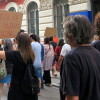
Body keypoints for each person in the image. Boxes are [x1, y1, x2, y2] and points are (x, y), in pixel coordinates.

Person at [60, 15, 100, 100]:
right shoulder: (97, 53)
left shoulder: (71, 57)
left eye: (64, 31)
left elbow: (72, 96)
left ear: (70, 34)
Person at [0, 33, 38, 100]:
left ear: (18, 42)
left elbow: (1, 54)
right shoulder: (31, 54)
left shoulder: (17, 55)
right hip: (29, 88)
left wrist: (1, 43)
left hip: (18, 90)